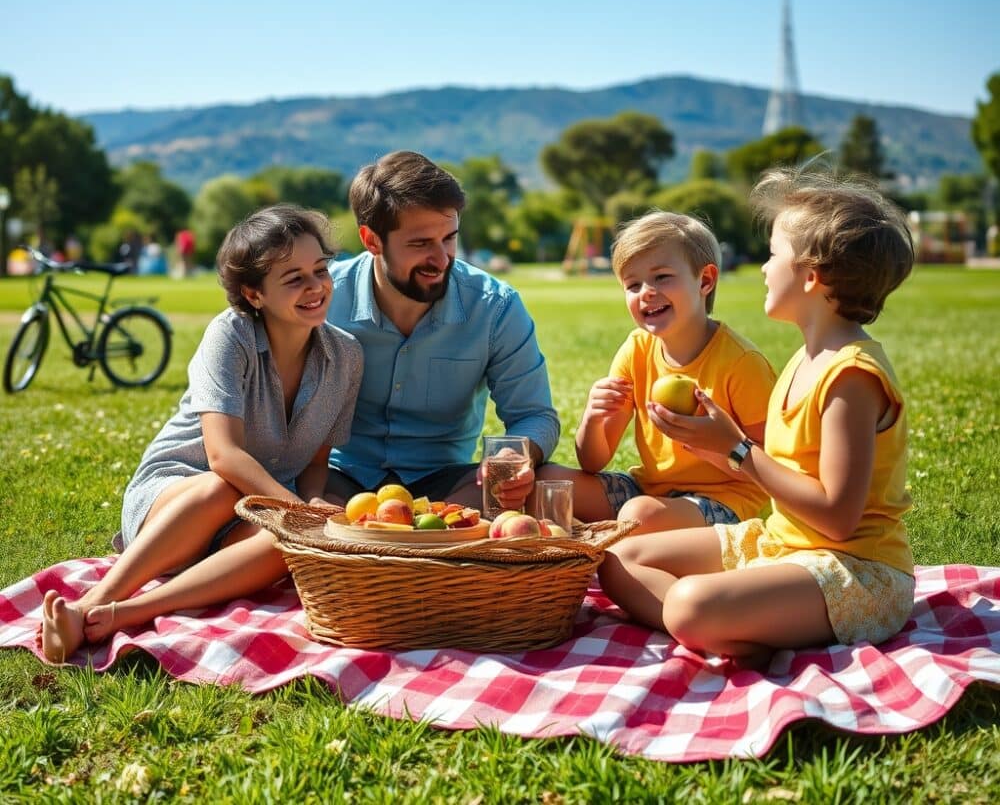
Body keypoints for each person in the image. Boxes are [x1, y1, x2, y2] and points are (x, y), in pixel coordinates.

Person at [599, 168, 916, 664]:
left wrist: (738, 450)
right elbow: (784, 480)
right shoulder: (804, 358)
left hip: (855, 571)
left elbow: (837, 517)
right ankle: (729, 626)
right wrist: (713, 447)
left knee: (685, 603)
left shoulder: (851, 377)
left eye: (773, 255)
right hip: (784, 544)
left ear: (812, 276)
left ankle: (725, 629)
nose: (764, 269)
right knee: (617, 556)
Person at [40, 205, 363, 664]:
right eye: (293, 279)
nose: (315, 287)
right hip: (177, 496)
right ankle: (88, 606)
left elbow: (314, 465)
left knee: (286, 542)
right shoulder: (229, 336)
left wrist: (308, 506)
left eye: (320, 270)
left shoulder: (346, 357)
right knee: (222, 487)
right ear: (254, 294)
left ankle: (126, 612)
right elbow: (224, 457)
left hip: (255, 510)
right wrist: (293, 509)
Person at [324, 150, 560, 511]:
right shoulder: (322, 301)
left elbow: (536, 415)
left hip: (450, 484)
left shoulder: (495, 307)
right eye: (420, 244)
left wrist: (516, 454)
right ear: (372, 240)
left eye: (449, 238)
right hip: (338, 480)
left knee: (541, 488)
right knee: (299, 513)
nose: (442, 258)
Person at [538, 211, 775, 532]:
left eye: (661, 277)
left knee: (641, 515)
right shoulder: (637, 348)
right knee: (546, 483)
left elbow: (773, 469)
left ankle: (617, 540)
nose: (646, 291)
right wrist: (593, 418)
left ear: (705, 280)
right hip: (649, 490)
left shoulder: (740, 362)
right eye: (632, 284)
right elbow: (593, 462)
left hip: (725, 501)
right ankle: (622, 538)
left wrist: (715, 447)